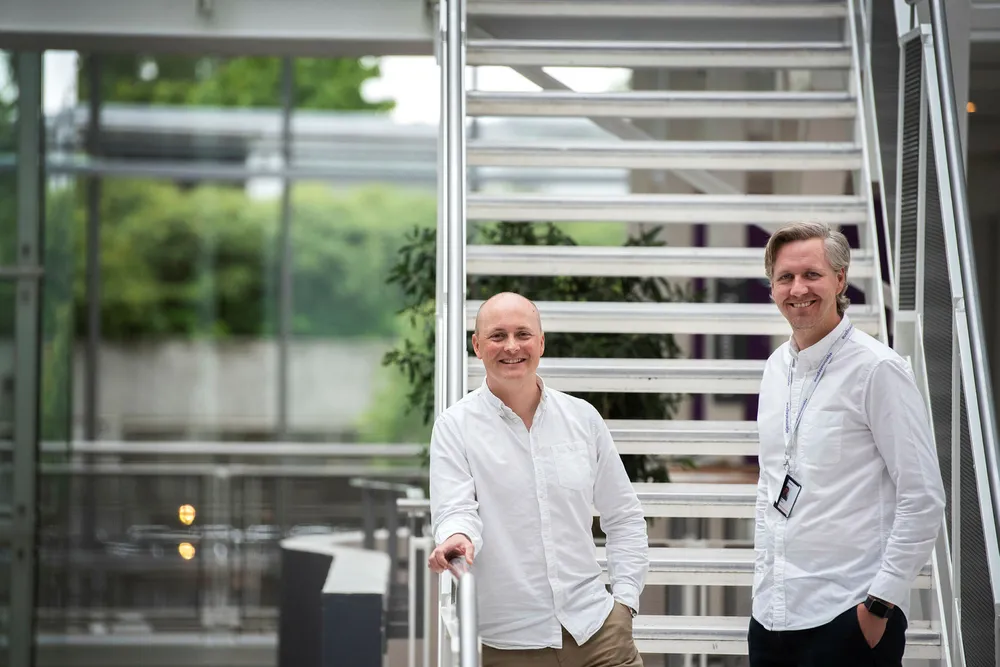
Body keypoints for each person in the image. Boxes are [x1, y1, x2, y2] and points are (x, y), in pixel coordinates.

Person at [750, 222, 946, 666]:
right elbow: (770, 484)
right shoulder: (776, 368)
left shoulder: (878, 369)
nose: (798, 289)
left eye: (812, 274)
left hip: (849, 616)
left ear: (840, 279)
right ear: (773, 287)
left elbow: (923, 496)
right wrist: (763, 585)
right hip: (771, 616)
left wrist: (879, 604)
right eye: (785, 277)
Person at [428, 291, 648, 667]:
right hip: (508, 646)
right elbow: (456, 510)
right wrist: (457, 537)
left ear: (541, 343)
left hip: (599, 633)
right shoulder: (455, 427)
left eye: (523, 334)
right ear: (477, 346)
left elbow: (624, 516)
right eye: (498, 336)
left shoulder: (583, 418)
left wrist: (625, 602)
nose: (512, 346)